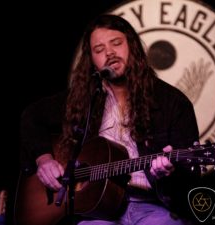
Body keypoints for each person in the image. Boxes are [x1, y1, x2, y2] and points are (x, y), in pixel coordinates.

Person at [19, 14, 200, 225]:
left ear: (132, 47)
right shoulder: (84, 98)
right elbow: (31, 116)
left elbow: (190, 177)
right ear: (92, 61)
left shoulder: (172, 102)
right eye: (99, 49)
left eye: (116, 43)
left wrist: (168, 172)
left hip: (153, 207)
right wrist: (44, 160)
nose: (109, 52)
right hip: (95, 212)